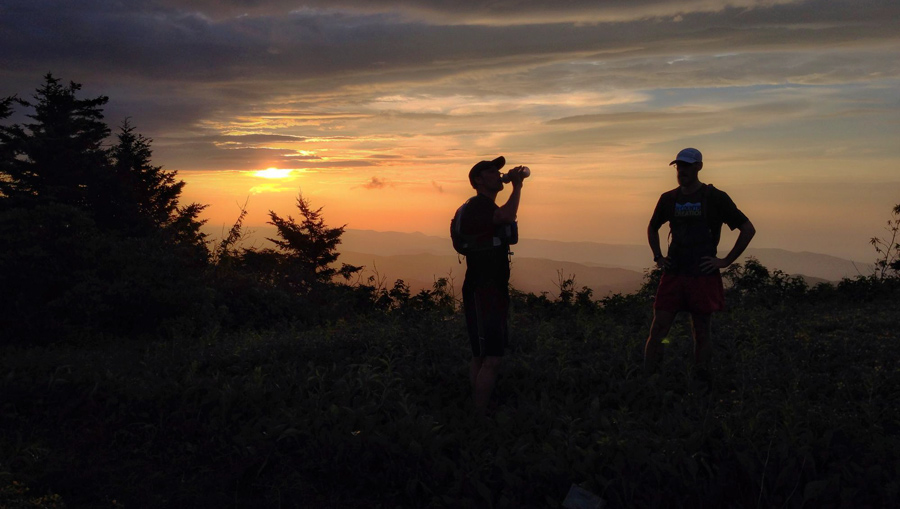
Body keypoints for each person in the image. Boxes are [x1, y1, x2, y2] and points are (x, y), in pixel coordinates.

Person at [645, 148, 756, 386]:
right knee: (659, 330)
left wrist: (726, 261)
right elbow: (652, 227)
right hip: (674, 273)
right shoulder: (668, 199)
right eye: (679, 166)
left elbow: (748, 229)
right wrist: (658, 257)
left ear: (699, 167)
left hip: (702, 275)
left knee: (701, 331)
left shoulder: (715, 197)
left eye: (686, 166)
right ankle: (650, 379)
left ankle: (701, 382)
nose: (682, 171)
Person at [458, 156, 527, 415]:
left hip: (487, 289)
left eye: (499, 171)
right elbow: (507, 215)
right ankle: (479, 416)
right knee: (493, 357)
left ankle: (478, 407)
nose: (499, 174)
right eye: (491, 171)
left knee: (481, 355)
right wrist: (517, 186)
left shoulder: (482, 207)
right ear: (478, 180)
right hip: (483, 289)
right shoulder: (479, 205)